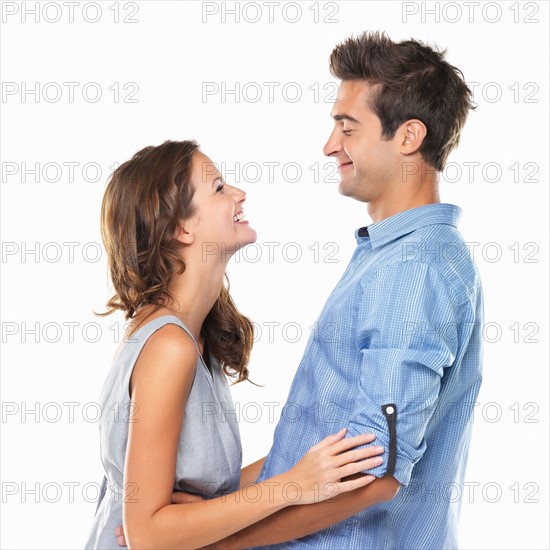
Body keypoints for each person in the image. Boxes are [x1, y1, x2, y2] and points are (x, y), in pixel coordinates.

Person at [115, 31, 483, 549]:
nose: (330, 145)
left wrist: (210, 542)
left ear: (407, 137)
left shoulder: (415, 269)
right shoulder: (385, 258)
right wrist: (204, 517)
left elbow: (375, 472)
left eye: (348, 128)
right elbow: (314, 455)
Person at [83, 140, 385, 549]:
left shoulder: (192, 336)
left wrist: (307, 467)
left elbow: (206, 490)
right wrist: (291, 486)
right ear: (180, 228)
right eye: (220, 188)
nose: (239, 194)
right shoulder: (169, 347)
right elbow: (149, 535)